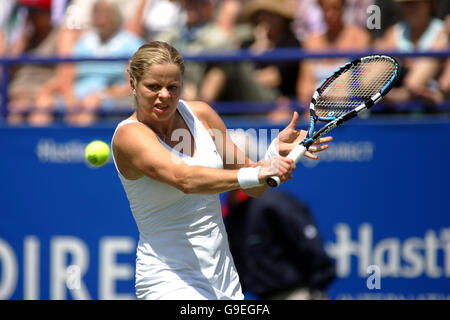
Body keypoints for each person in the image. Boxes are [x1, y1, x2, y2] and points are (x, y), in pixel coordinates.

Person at [110, 41, 333, 299]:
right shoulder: (129, 136)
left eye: (173, 87)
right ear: (133, 85)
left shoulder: (202, 115)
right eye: (153, 87)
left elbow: (256, 188)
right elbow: (184, 178)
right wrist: (258, 173)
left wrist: (272, 155)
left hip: (223, 281)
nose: (165, 95)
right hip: (168, 282)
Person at [223, 131, 336, 300]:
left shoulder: (273, 203)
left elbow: (311, 248)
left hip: (299, 294)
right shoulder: (230, 208)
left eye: (226, 157)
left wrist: (314, 290)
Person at [30, 0, 144, 126]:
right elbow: (68, 75)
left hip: (109, 98)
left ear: (115, 14)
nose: (100, 16)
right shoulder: (84, 42)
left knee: (90, 103)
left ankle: (75, 142)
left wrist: (102, 95)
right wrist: (67, 96)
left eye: (104, 12)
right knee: (43, 101)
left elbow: (134, 84)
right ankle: (36, 144)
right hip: (79, 94)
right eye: (96, 12)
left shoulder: (131, 43)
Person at [296, 0, 371, 114]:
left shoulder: (360, 37)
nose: (329, 14)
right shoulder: (311, 42)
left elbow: (364, 81)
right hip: (318, 109)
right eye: (325, 9)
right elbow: (304, 87)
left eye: (334, 8)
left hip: (350, 109)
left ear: (343, 9)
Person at [375, 0, 448, 111]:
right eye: (406, 4)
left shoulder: (442, 30)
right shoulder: (394, 32)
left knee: (428, 61)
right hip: (395, 103)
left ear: (428, 4)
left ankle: (403, 94)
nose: (411, 8)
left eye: (415, 3)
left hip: (430, 105)